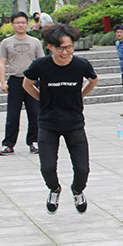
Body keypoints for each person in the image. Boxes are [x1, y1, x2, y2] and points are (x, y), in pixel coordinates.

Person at [22, 24, 98, 214]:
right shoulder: (41, 65)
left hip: (74, 123)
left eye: (69, 47)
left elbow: (93, 79)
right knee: (47, 167)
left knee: (82, 169)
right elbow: (27, 84)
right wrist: (43, 99)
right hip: (48, 123)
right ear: (49, 46)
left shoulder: (81, 64)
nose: (65, 52)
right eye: (60, 48)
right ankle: (54, 189)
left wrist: (80, 95)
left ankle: (77, 190)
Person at [0, 12, 44, 156]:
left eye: (23, 22)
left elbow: (41, 62)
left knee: (35, 113)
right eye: (17, 22)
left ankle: (34, 141)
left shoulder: (35, 41)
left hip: (32, 82)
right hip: (15, 81)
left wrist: (43, 82)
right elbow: (2, 62)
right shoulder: (6, 42)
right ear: (12, 24)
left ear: (27, 24)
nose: (20, 25)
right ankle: (8, 144)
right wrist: (2, 81)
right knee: (12, 115)